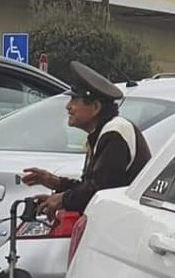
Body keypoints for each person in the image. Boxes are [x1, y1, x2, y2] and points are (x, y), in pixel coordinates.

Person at [23, 61, 152, 217]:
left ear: (95, 107)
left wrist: (62, 199)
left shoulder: (115, 134)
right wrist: (54, 182)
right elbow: (91, 186)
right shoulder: (103, 132)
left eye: (74, 100)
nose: (68, 107)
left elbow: (101, 191)